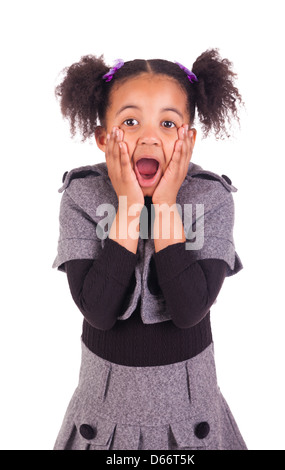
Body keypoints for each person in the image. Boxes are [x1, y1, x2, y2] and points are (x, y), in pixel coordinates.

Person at [52, 49, 247, 450]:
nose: (150, 136)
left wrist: (165, 204)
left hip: (191, 420)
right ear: (104, 137)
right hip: (101, 422)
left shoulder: (213, 198)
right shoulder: (81, 195)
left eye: (168, 123)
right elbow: (99, 312)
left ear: (189, 138)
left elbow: (190, 309)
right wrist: (128, 207)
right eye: (130, 121)